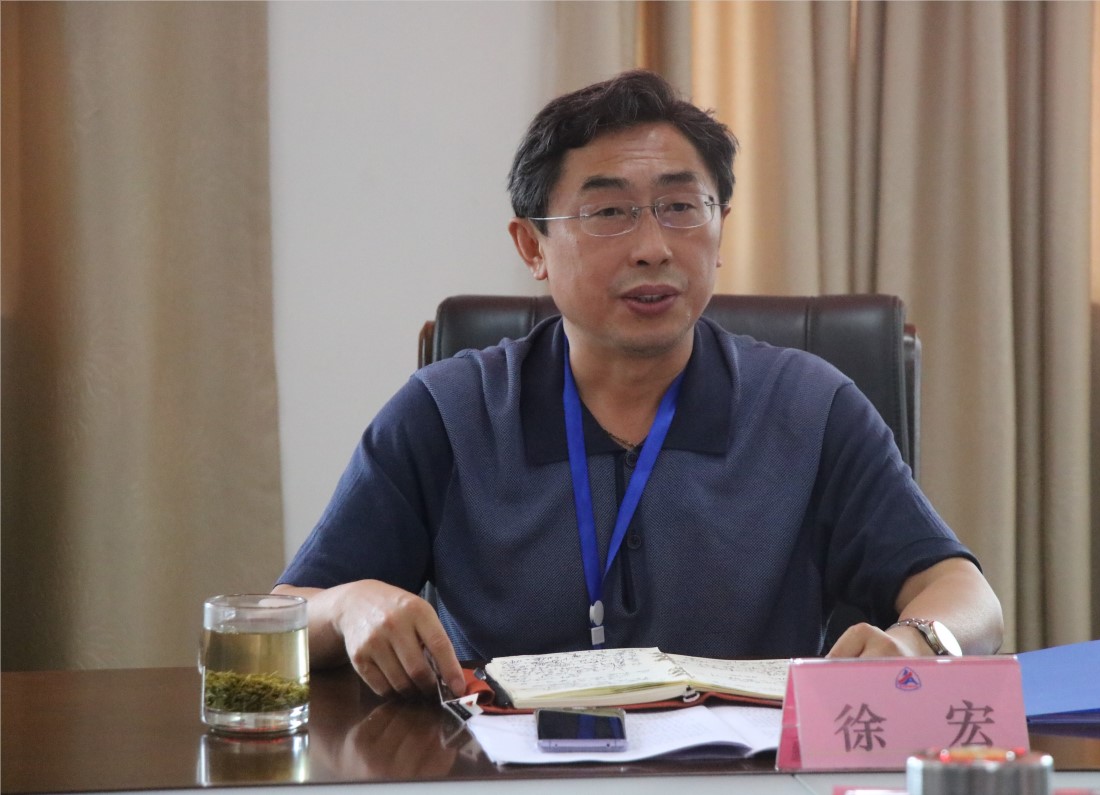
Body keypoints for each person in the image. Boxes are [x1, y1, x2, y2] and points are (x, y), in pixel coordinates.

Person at [274, 70, 1003, 700]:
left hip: (745, 773)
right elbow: (283, 618)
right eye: (609, 213)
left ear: (720, 229)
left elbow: (967, 596)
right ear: (532, 246)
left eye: (681, 208)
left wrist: (917, 640)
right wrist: (348, 604)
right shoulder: (449, 410)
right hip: (509, 771)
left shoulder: (808, 405)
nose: (653, 247)